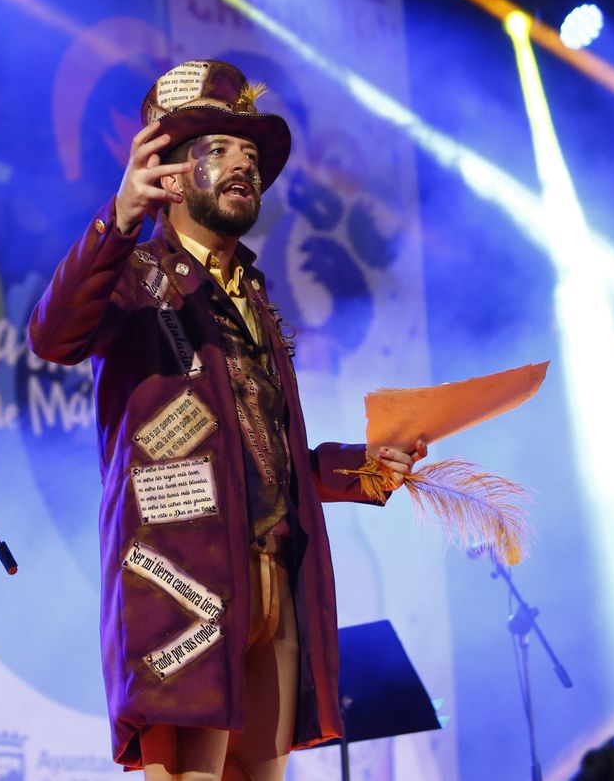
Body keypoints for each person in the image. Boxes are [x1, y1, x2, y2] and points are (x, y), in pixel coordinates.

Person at [28, 60, 425, 781]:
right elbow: (52, 336)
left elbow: (270, 458)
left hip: (274, 578)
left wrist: (365, 466)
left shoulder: (254, 297)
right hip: (183, 580)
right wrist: (115, 219)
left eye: (251, 153)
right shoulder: (136, 273)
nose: (244, 162)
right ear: (171, 175)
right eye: (220, 148)